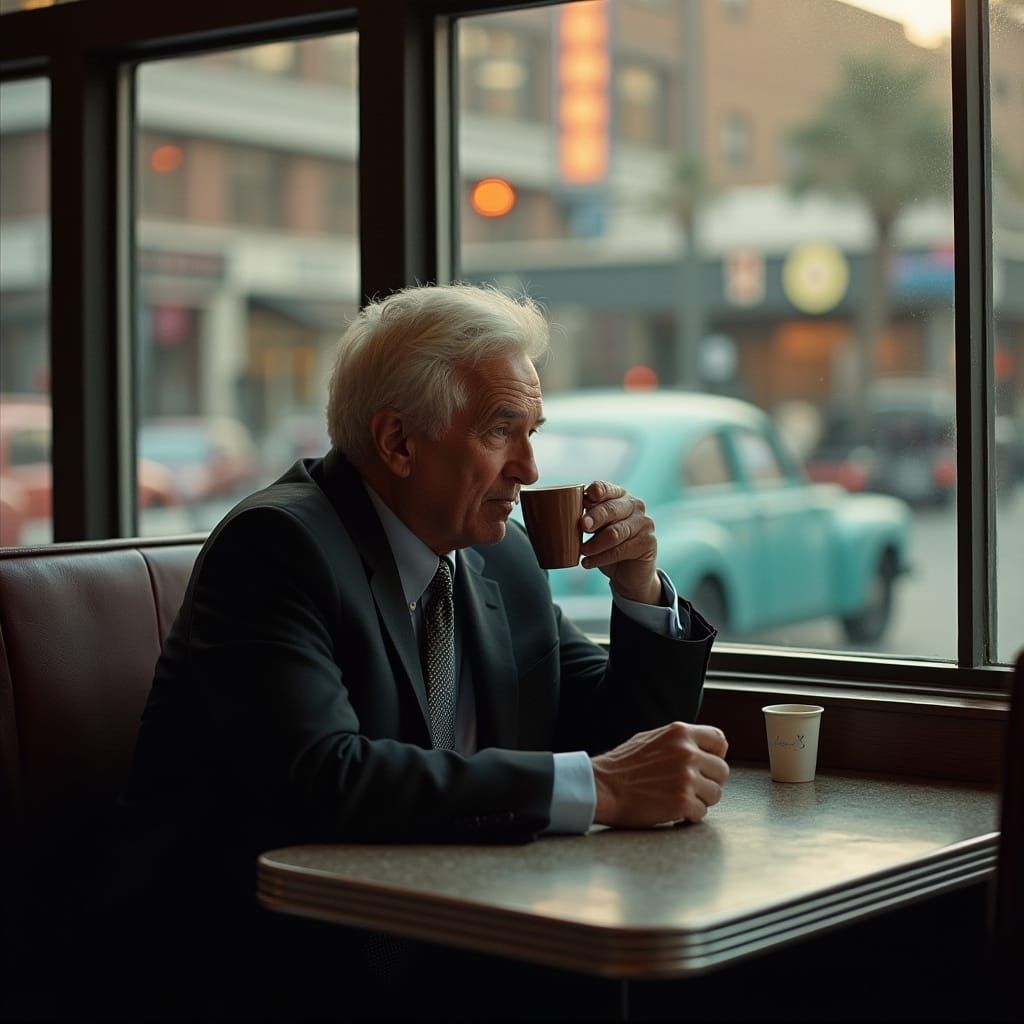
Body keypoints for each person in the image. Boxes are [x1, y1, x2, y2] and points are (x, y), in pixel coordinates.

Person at [102, 282, 729, 1018]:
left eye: (534, 431)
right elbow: (322, 776)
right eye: (502, 431)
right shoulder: (276, 547)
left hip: (444, 931)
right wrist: (604, 789)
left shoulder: (502, 558)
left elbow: (623, 740)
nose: (529, 468)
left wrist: (640, 590)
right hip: (265, 961)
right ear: (399, 441)